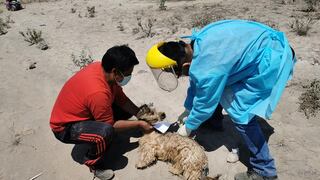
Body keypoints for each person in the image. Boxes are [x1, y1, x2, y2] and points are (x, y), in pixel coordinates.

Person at [146, 20, 296, 180]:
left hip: (273, 58)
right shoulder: (198, 44)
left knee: (241, 114)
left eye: (178, 72)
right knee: (219, 87)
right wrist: (188, 109)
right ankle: (213, 122)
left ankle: (264, 171)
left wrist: (188, 127)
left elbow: (205, 101)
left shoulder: (208, 67)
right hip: (264, 47)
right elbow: (198, 85)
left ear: (183, 63)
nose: (181, 76)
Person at [50, 45, 154, 180]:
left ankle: (97, 129)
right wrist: (140, 124)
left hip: (83, 112)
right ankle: (94, 164)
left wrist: (140, 115)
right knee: (105, 132)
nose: (129, 76)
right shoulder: (97, 92)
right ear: (115, 72)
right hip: (65, 128)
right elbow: (111, 125)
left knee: (123, 110)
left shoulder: (102, 69)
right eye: (127, 74)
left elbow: (121, 99)